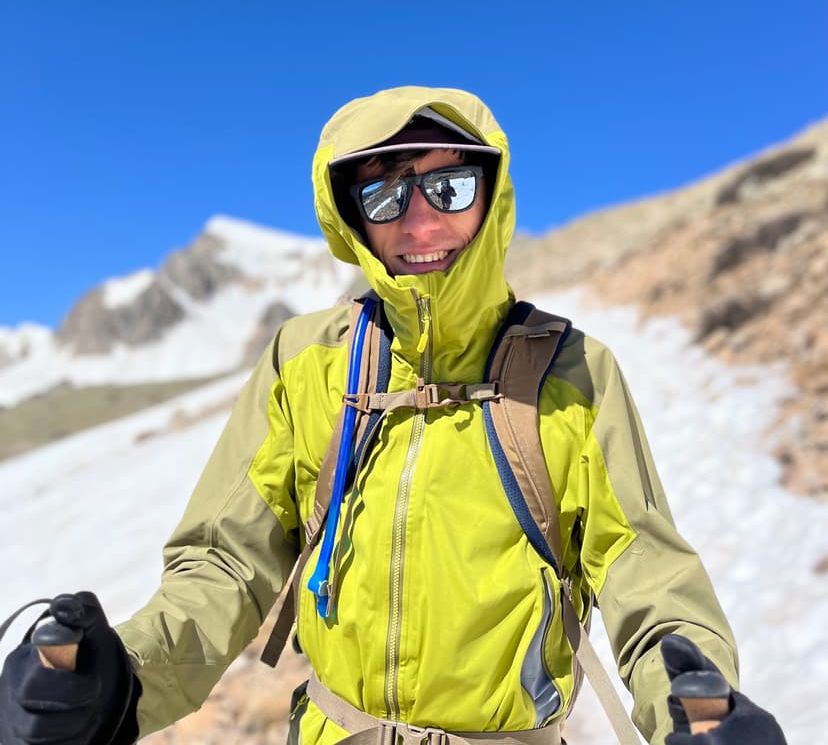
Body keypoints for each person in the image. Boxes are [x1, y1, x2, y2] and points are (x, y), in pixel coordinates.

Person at [0, 86, 787, 745]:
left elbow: (644, 571)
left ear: (491, 192)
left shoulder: (572, 374)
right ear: (352, 220)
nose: (418, 225)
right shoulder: (308, 361)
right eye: (382, 194)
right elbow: (227, 564)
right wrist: (119, 683)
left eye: (447, 188)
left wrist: (694, 707)